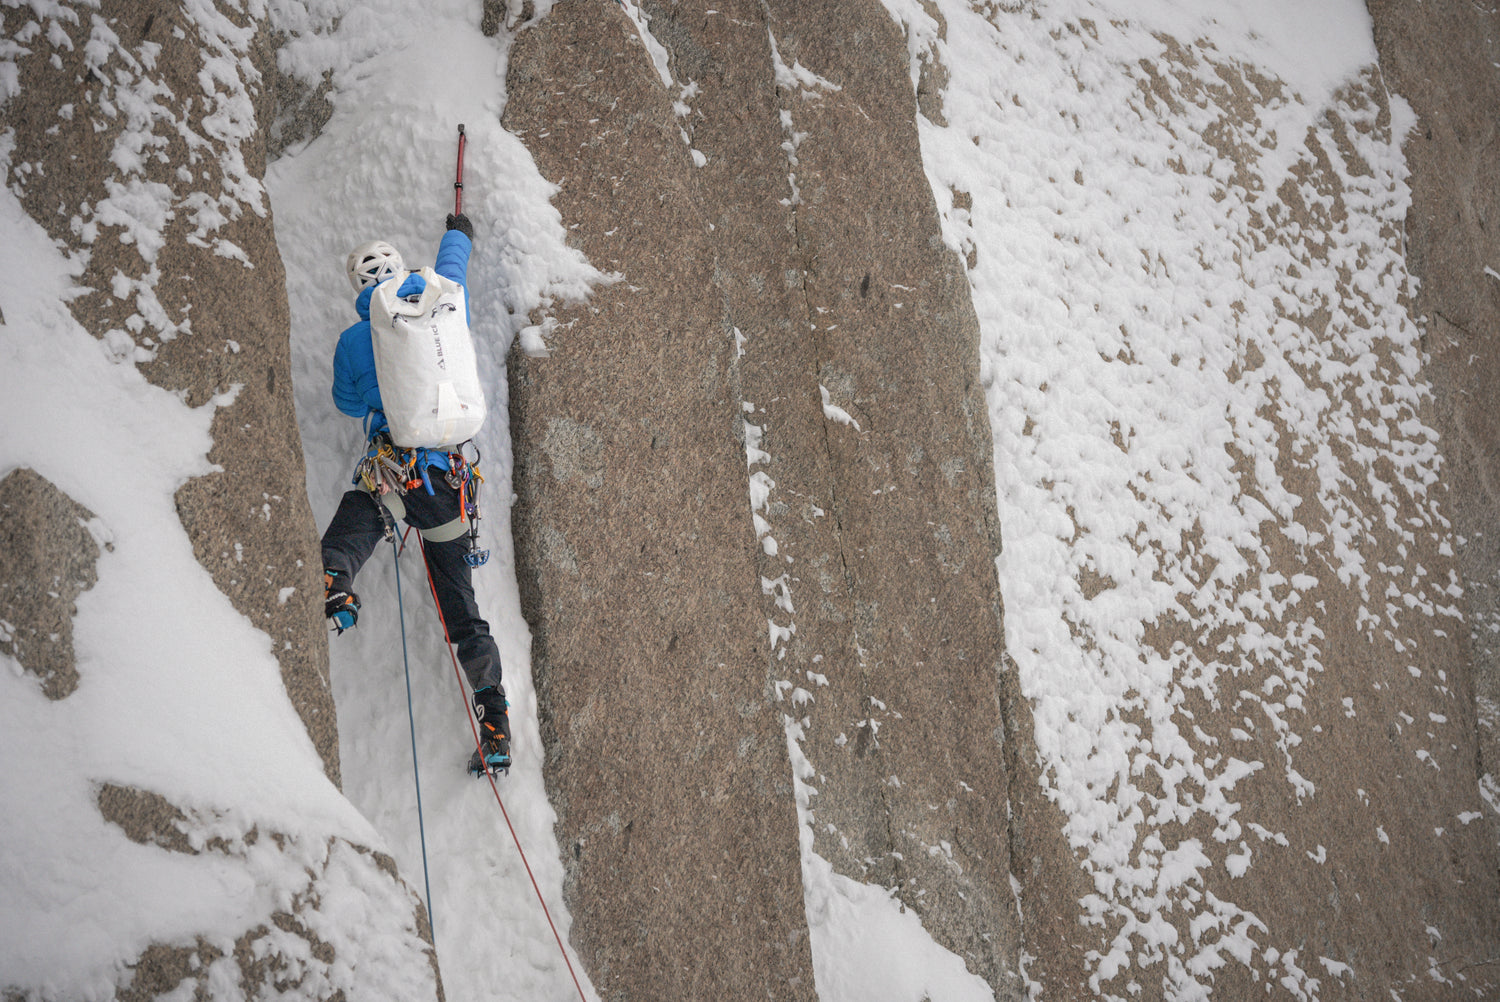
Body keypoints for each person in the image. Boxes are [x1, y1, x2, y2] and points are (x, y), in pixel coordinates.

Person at [320, 212, 511, 776]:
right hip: (447, 484)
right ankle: (495, 720)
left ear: (359, 289)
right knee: (462, 610)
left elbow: (347, 403)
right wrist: (459, 235)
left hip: (396, 473)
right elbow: (453, 271)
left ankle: (336, 578)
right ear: (402, 269)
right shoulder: (442, 307)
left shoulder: (354, 339)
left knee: (362, 513)